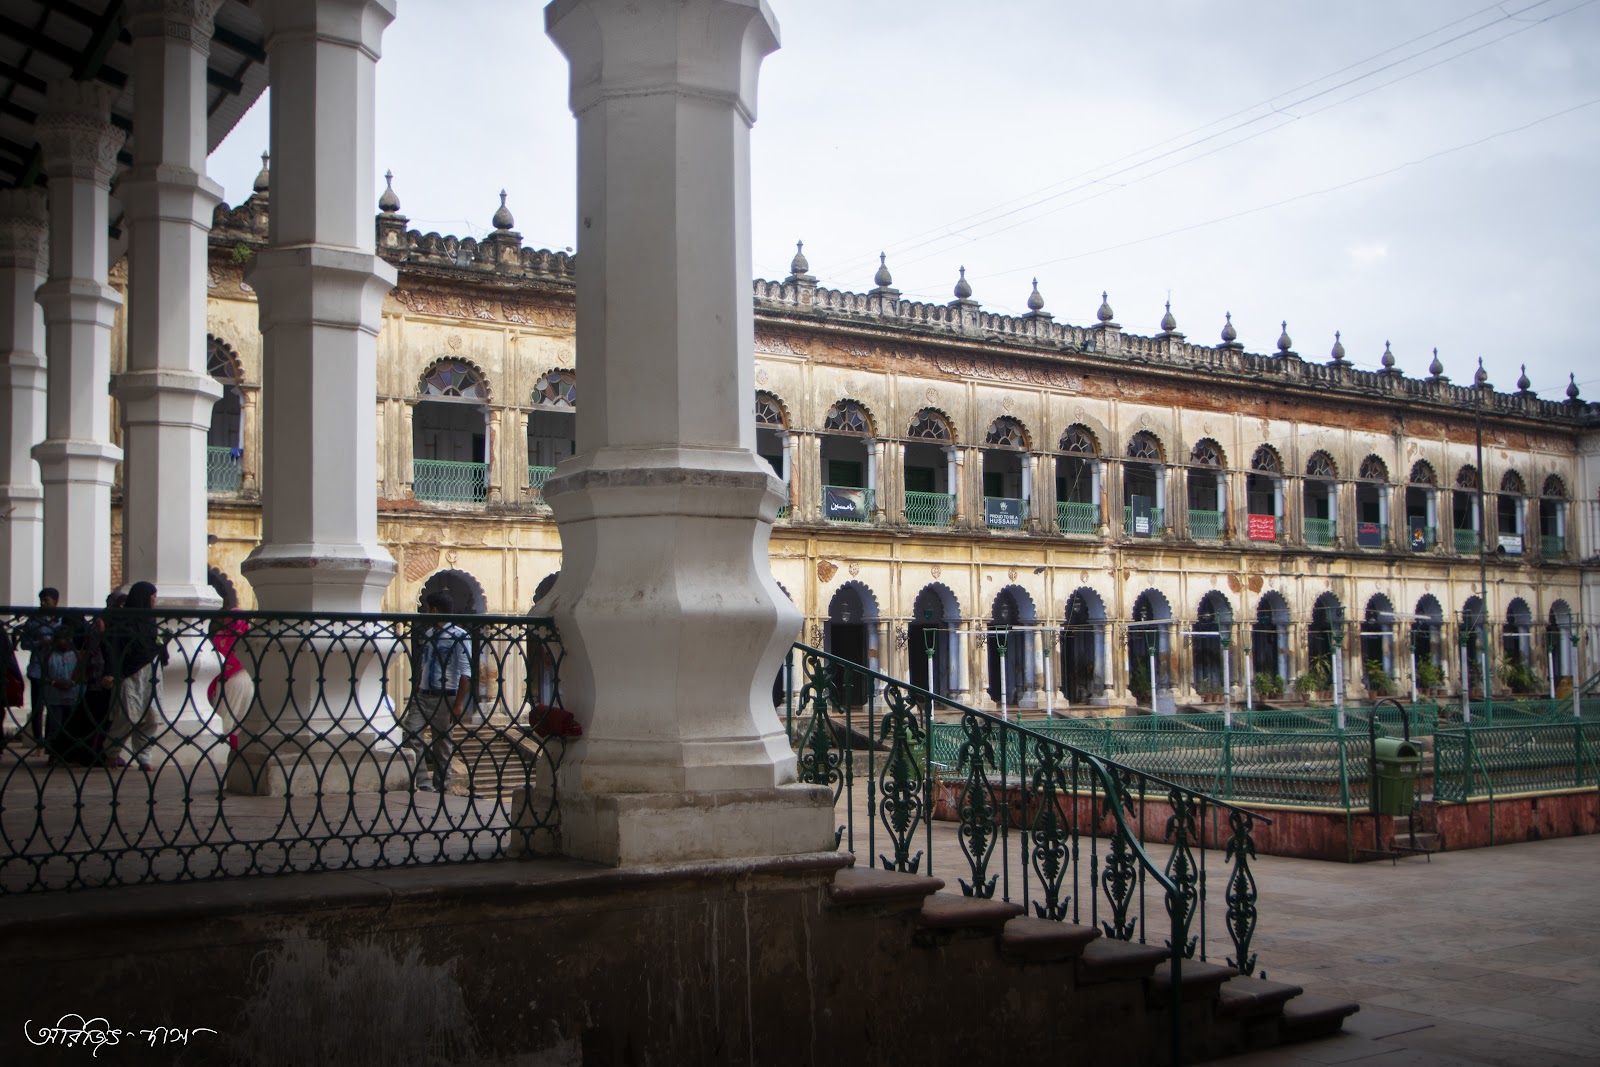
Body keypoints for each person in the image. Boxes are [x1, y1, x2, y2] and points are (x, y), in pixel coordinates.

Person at [402, 590, 472, 793]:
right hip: (424, 695)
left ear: (433, 610)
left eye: (427, 609)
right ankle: (424, 785)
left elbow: (465, 672)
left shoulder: (459, 636)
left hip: (446, 696)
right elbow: (424, 665)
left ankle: (441, 788)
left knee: (442, 745)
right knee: (411, 733)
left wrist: (458, 704)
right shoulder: (431, 634)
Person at [103, 582, 169, 772]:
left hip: (150, 673)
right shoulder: (123, 620)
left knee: (152, 716)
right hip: (129, 673)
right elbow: (115, 647)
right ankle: (111, 751)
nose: (155, 600)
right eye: (153, 596)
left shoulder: (150, 620)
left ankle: (143, 755)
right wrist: (110, 671)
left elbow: (152, 644)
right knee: (127, 714)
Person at [18, 587, 63, 745]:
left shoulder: (62, 619)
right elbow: (24, 643)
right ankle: (38, 741)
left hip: (57, 668)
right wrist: (40, 643)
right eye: (41, 600)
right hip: (38, 667)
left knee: (54, 706)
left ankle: (52, 741)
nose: (43, 603)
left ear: (56, 601)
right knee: (38, 706)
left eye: (47, 600)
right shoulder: (35, 621)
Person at [39, 625, 85, 762]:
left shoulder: (77, 655)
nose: (63, 642)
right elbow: (44, 675)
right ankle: (54, 753)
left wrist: (72, 682)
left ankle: (68, 753)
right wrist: (54, 683)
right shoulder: (49, 656)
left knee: (70, 726)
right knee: (55, 725)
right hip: (54, 696)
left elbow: (82, 674)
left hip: (73, 695)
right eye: (60, 639)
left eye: (66, 639)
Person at [207, 612, 252, 747]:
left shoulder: (220, 636)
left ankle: (224, 746)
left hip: (227, 680)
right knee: (242, 716)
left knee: (225, 715)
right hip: (248, 678)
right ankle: (237, 747)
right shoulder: (249, 635)